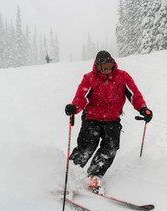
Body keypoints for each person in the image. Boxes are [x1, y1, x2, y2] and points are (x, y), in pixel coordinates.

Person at [65, 50, 152, 194]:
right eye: (102, 67)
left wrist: (143, 109)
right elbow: (81, 97)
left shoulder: (123, 77)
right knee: (86, 147)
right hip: (91, 119)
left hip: (112, 120)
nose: (105, 69)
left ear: (113, 63)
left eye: (108, 65)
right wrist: (74, 108)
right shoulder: (89, 78)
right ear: (96, 66)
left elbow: (134, 95)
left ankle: (94, 175)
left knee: (110, 148)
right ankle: (68, 175)